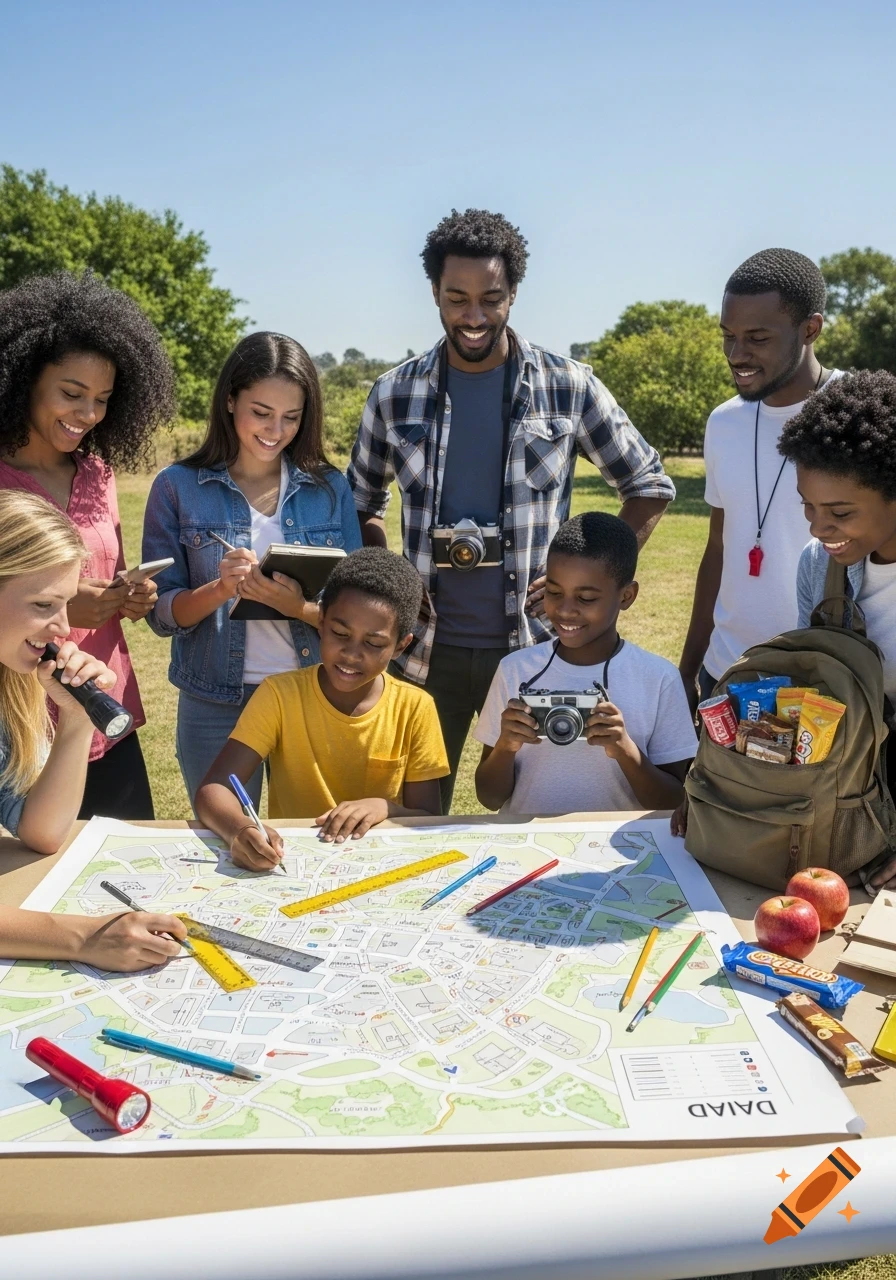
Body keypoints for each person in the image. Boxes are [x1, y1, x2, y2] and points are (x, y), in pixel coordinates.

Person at [349, 208, 675, 810]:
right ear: (435, 295)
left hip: (539, 644)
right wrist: (394, 581)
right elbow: (362, 503)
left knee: (543, 812)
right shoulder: (393, 393)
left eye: (491, 298)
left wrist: (583, 579)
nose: (473, 317)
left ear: (514, 294)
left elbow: (648, 484)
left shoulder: (568, 385)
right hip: (424, 647)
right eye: (457, 298)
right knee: (410, 814)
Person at [142, 332, 362, 808]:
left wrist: (297, 607)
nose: (274, 430)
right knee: (227, 842)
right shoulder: (176, 487)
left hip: (312, 690)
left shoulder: (329, 488)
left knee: (317, 842)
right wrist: (220, 590)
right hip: (213, 700)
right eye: (260, 412)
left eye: (291, 417)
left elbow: (358, 610)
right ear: (229, 401)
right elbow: (160, 616)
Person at [0, 271, 177, 819]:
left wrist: (132, 597)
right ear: (23, 379)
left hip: (105, 706)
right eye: (72, 394)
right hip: (23, 723)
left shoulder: (97, 472)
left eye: (102, 399)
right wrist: (67, 607)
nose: (89, 415)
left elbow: (112, 571)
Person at [0, 490, 187, 970]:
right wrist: (83, 938)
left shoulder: (9, 687)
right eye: (43, 604)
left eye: (65, 603)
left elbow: (40, 831)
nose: (62, 629)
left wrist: (77, 719)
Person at [195, 547, 448, 869]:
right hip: (297, 863)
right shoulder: (280, 694)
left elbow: (430, 817)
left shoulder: (416, 708)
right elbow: (213, 790)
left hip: (382, 864)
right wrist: (240, 829)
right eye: (340, 634)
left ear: (401, 645)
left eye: (373, 643)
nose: (351, 654)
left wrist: (385, 808)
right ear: (321, 621)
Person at [679, 249, 842, 713]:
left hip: (823, 684)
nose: (736, 355)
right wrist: (690, 668)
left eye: (757, 338)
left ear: (810, 330)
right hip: (727, 673)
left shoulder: (862, 415)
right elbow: (718, 548)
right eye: (728, 336)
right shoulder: (722, 423)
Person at [475, 513, 697, 815]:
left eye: (587, 598)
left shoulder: (658, 680)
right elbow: (489, 797)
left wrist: (625, 750)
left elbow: (672, 800)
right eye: (554, 592)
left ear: (627, 596)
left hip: (615, 852)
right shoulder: (516, 670)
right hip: (531, 846)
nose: (565, 610)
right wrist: (505, 746)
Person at [778, 368, 896, 893]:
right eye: (808, 504)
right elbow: (817, 695)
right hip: (854, 800)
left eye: (840, 512)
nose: (817, 528)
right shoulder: (817, 565)